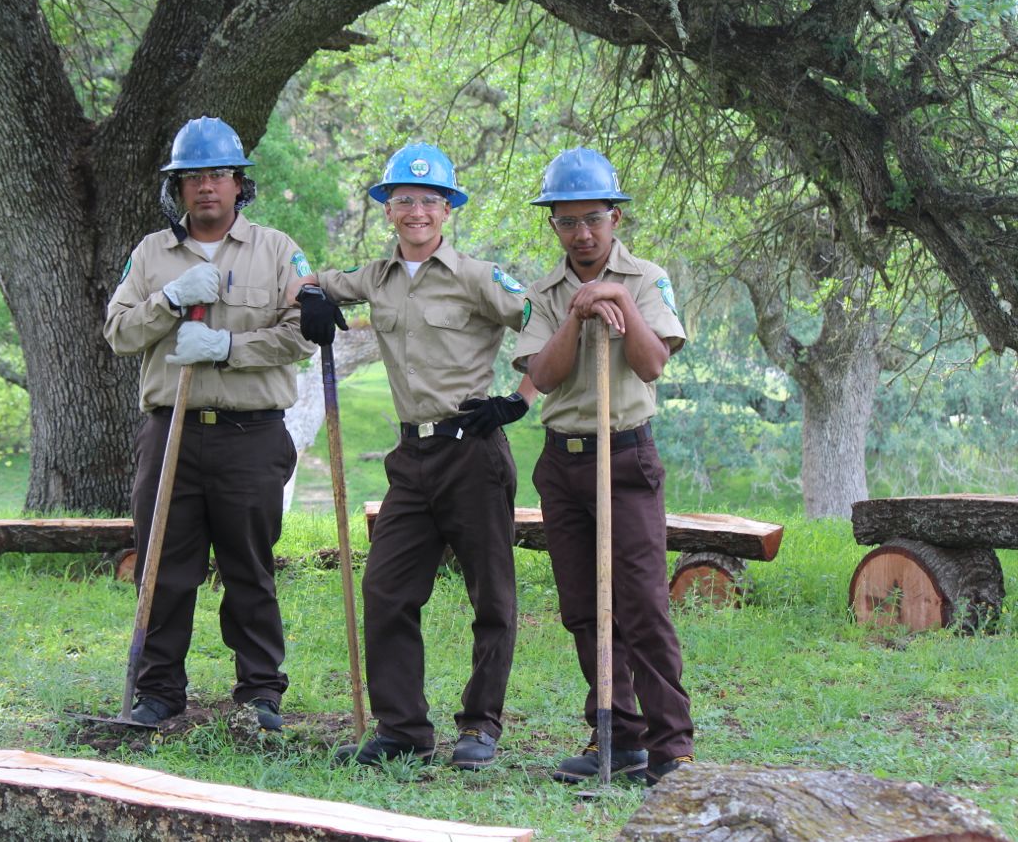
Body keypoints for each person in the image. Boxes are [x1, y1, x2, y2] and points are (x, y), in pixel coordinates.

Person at [295, 142, 535, 770]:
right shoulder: (376, 277)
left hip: (473, 451)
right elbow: (311, 280)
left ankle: (480, 726)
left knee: (491, 596)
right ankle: (403, 729)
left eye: (430, 200)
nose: (417, 211)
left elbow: (545, 321)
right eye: (404, 200)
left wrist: (519, 399)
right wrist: (312, 296)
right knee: (386, 589)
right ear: (388, 210)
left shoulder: (479, 276)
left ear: (448, 209)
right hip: (411, 458)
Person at [103, 116, 314, 731]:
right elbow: (118, 333)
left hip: (251, 435)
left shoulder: (277, 250)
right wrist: (169, 300)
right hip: (170, 430)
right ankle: (158, 691)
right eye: (192, 176)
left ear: (239, 183)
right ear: (177, 187)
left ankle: (260, 693)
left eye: (218, 174)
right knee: (163, 567)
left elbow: (303, 333)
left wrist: (227, 348)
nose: (206, 186)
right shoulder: (151, 254)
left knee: (249, 566)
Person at [512, 147, 694, 785]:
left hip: (625, 455)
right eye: (567, 221)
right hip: (564, 459)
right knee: (585, 607)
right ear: (553, 225)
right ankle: (616, 733)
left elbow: (652, 364)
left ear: (615, 217)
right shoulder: (542, 294)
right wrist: (580, 312)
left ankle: (672, 748)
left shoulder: (647, 278)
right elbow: (542, 376)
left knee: (642, 603)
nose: (582, 233)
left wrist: (618, 297)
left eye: (593, 218)